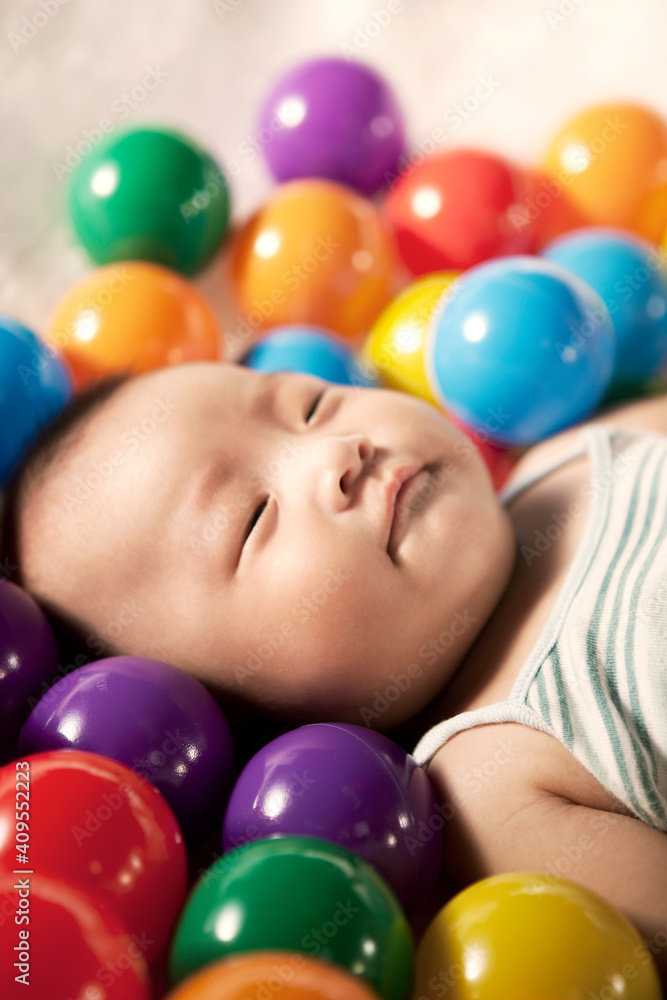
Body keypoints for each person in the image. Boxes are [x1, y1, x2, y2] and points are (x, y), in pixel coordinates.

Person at [1, 359, 666, 987]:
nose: (339, 452)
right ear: (247, 714)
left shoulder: (570, 457)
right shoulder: (490, 786)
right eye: (255, 518)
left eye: (310, 406)